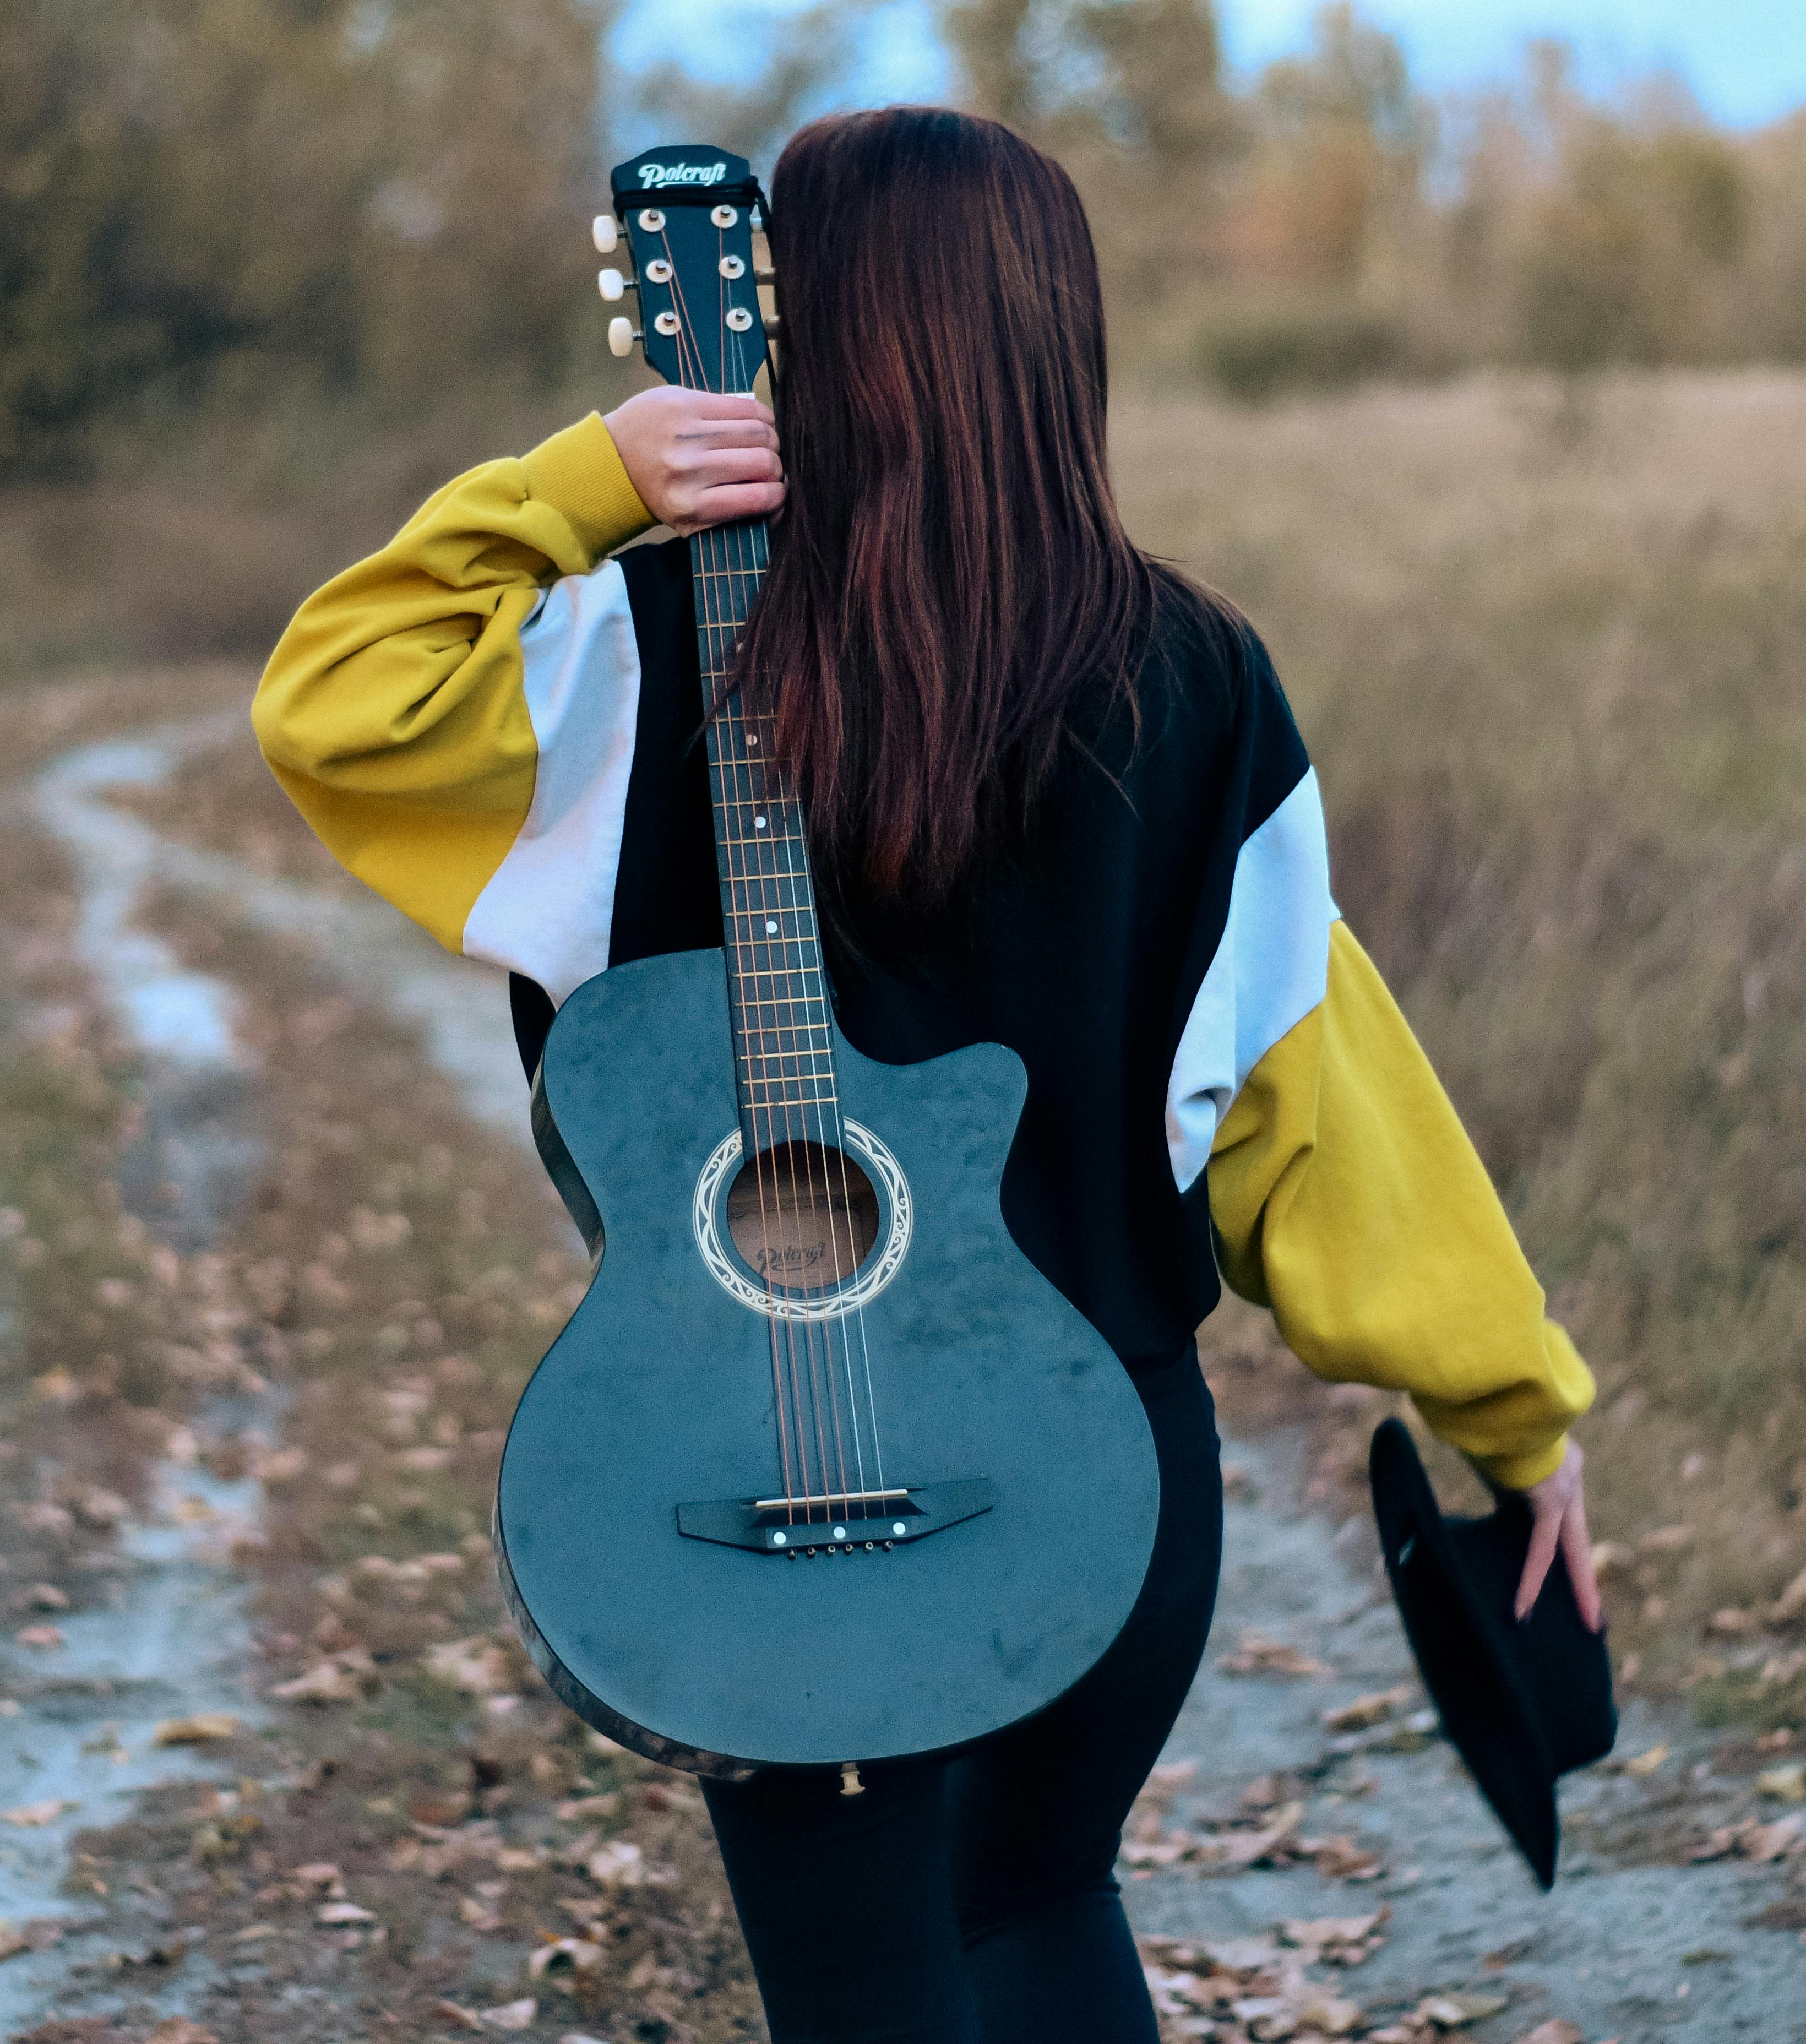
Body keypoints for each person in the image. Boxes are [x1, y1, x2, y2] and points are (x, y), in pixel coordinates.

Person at [254, 105, 1601, 2044]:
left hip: (754, 1469)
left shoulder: (635, 653)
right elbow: (1324, 1104)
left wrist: (578, 488)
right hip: (1103, 1470)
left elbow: (334, 699)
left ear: (804, 331)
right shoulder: (1197, 678)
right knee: (1046, 1918)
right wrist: (1516, 1413)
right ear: (1062, 341)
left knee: (876, 1995)